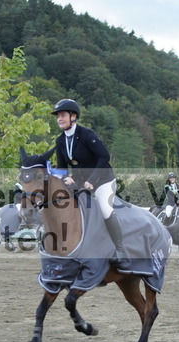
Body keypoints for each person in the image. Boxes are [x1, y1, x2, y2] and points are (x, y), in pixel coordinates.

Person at [51, 99, 132, 270]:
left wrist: (92, 181)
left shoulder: (87, 135)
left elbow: (104, 156)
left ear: (73, 117)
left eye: (63, 115)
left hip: (103, 179)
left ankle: (120, 251)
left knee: (104, 209)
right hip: (80, 182)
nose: (59, 118)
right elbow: (61, 167)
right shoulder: (60, 141)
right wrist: (66, 178)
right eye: (58, 116)